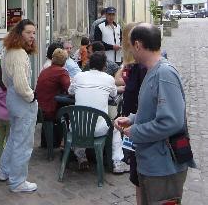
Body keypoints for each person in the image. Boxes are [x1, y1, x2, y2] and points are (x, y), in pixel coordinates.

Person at [115, 23, 194, 204]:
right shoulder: (153, 71)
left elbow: (171, 122)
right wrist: (132, 119)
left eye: (129, 45)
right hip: (152, 164)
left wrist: (135, 131)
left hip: (164, 166)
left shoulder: (164, 73)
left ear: (137, 45)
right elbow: (152, 111)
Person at [69, 51, 130, 173]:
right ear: (104, 66)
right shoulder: (108, 79)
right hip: (98, 130)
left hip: (77, 129)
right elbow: (113, 94)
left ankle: (81, 156)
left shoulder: (79, 76)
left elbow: (70, 91)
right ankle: (117, 162)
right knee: (115, 128)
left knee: (79, 121)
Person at [0, 19, 38, 193]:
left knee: (14, 137)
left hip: (12, 98)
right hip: (22, 100)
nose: (32, 36)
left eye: (34, 33)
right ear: (19, 33)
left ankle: (5, 171)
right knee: (23, 143)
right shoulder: (20, 54)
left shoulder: (9, 50)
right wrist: (31, 97)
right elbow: (22, 85)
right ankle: (17, 182)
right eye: (28, 32)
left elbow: (6, 80)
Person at [115, 23, 147, 205]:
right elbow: (117, 78)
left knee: (141, 175)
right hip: (132, 123)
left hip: (138, 125)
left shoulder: (140, 68)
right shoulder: (132, 65)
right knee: (137, 176)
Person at [36, 48, 70, 147]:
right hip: (50, 109)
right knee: (71, 111)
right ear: (64, 61)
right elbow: (69, 89)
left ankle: (48, 142)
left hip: (39, 109)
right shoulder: (62, 72)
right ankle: (67, 142)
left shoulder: (45, 71)